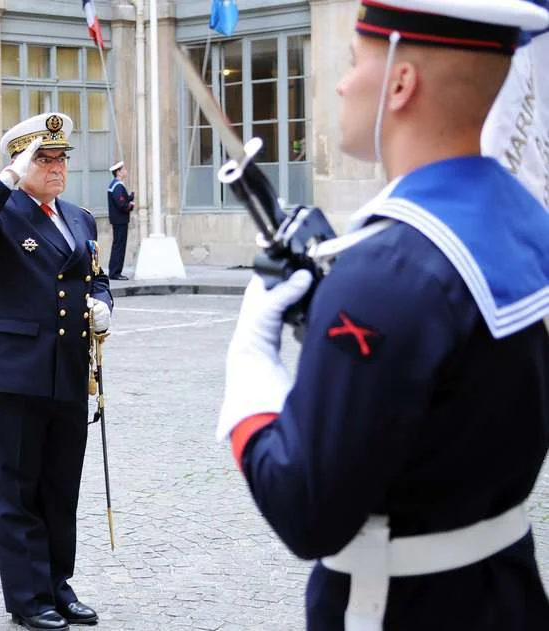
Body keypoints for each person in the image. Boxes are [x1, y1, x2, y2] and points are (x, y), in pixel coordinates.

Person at [215, 1, 549, 630]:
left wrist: (250, 364)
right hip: (504, 587)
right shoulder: (528, 221)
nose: (341, 83)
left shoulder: (387, 269)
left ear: (400, 81)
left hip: (403, 606)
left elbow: (306, 509)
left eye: (352, 62)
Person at [0, 112, 113, 631]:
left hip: (68, 370)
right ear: (21, 162)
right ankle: (27, 596)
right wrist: (9, 177)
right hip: (14, 372)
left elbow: (96, 277)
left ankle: (58, 585)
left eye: (62, 158)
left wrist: (104, 304)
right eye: (45, 158)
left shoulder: (80, 218)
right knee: (16, 487)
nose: (57, 167)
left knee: (60, 487)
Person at [105, 161, 133, 281]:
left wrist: (129, 197)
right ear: (118, 172)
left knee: (117, 246)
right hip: (120, 220)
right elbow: (122, 204)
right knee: (119, 247)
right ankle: (116, 272)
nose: (125, 171)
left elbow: (121, 199)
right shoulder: (118, 185)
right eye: (123, 169)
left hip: (117, 220)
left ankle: (114, 271)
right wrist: (130, 205)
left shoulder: (115, 184)